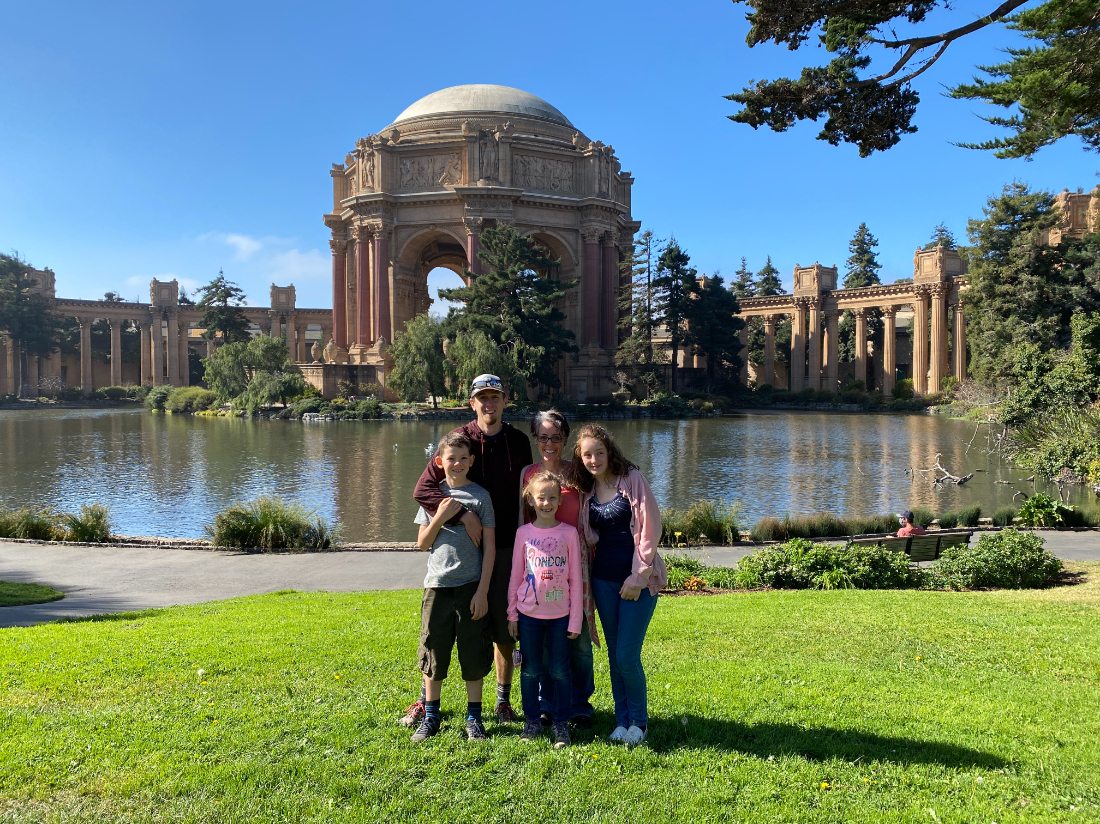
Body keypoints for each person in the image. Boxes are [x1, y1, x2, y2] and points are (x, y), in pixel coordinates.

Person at [400, 375, 533, 728]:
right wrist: (463, 516)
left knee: (504, 628)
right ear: (472, 403)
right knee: (440, 629)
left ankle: (502, 700)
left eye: (495, 397)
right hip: (459, 553)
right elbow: (424, 489)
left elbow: (529, 491)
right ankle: (427, 702)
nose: (488, 404)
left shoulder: (519, 442)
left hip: (505, 545)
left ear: (506, 401)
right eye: (481, 398)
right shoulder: (458, 441)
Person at [573, 423, 666, 747]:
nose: (594, 459)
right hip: (603, 582)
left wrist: (637, 578)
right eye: (587, 454)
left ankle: (640, 722)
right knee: (614, 655)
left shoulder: (632, 480)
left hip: (637, 582)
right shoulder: (587, 491)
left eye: (599, 452)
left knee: (627, 654)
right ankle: (622, 719)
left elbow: (651, 530)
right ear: (580, 458)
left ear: (609, 451)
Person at [409, 431, 497, 743]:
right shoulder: (434, 497)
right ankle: (431, 715)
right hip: (437, 588)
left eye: (463, 458)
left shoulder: (481, 497)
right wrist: (442, 516)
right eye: (451, 458)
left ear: (472, 461)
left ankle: (474, 718)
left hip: (471, 586)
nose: (457, 463)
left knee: (473, 653)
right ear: (439, 462)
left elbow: (490, 549)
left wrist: (483, 591)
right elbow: (422, 544)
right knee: (434, 651)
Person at [519, 409, 597, 731]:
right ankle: (548, 704)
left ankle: (579, 705)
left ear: (565, 439)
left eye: (556, 437)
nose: (549, 443)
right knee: (546, 636)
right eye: (543, 437)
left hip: (577, 563)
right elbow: (521, 520)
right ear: (536, 439)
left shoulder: (579, 472)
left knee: (576, 638)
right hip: (540, 566)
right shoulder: (527, 474)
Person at [507, 471, 583, 749]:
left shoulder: (569, 533)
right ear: (531, 499)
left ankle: (562, 725)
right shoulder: (523, 534)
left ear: (560, 501)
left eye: (553, 497)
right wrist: (512, 614)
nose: (547, 503)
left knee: (560, 671)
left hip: (560, 617)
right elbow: (516, 576)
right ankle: (532, 722)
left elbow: (575, 579)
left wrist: (575, 619)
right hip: (528, 617)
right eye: (542, 497)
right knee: (529, 671)